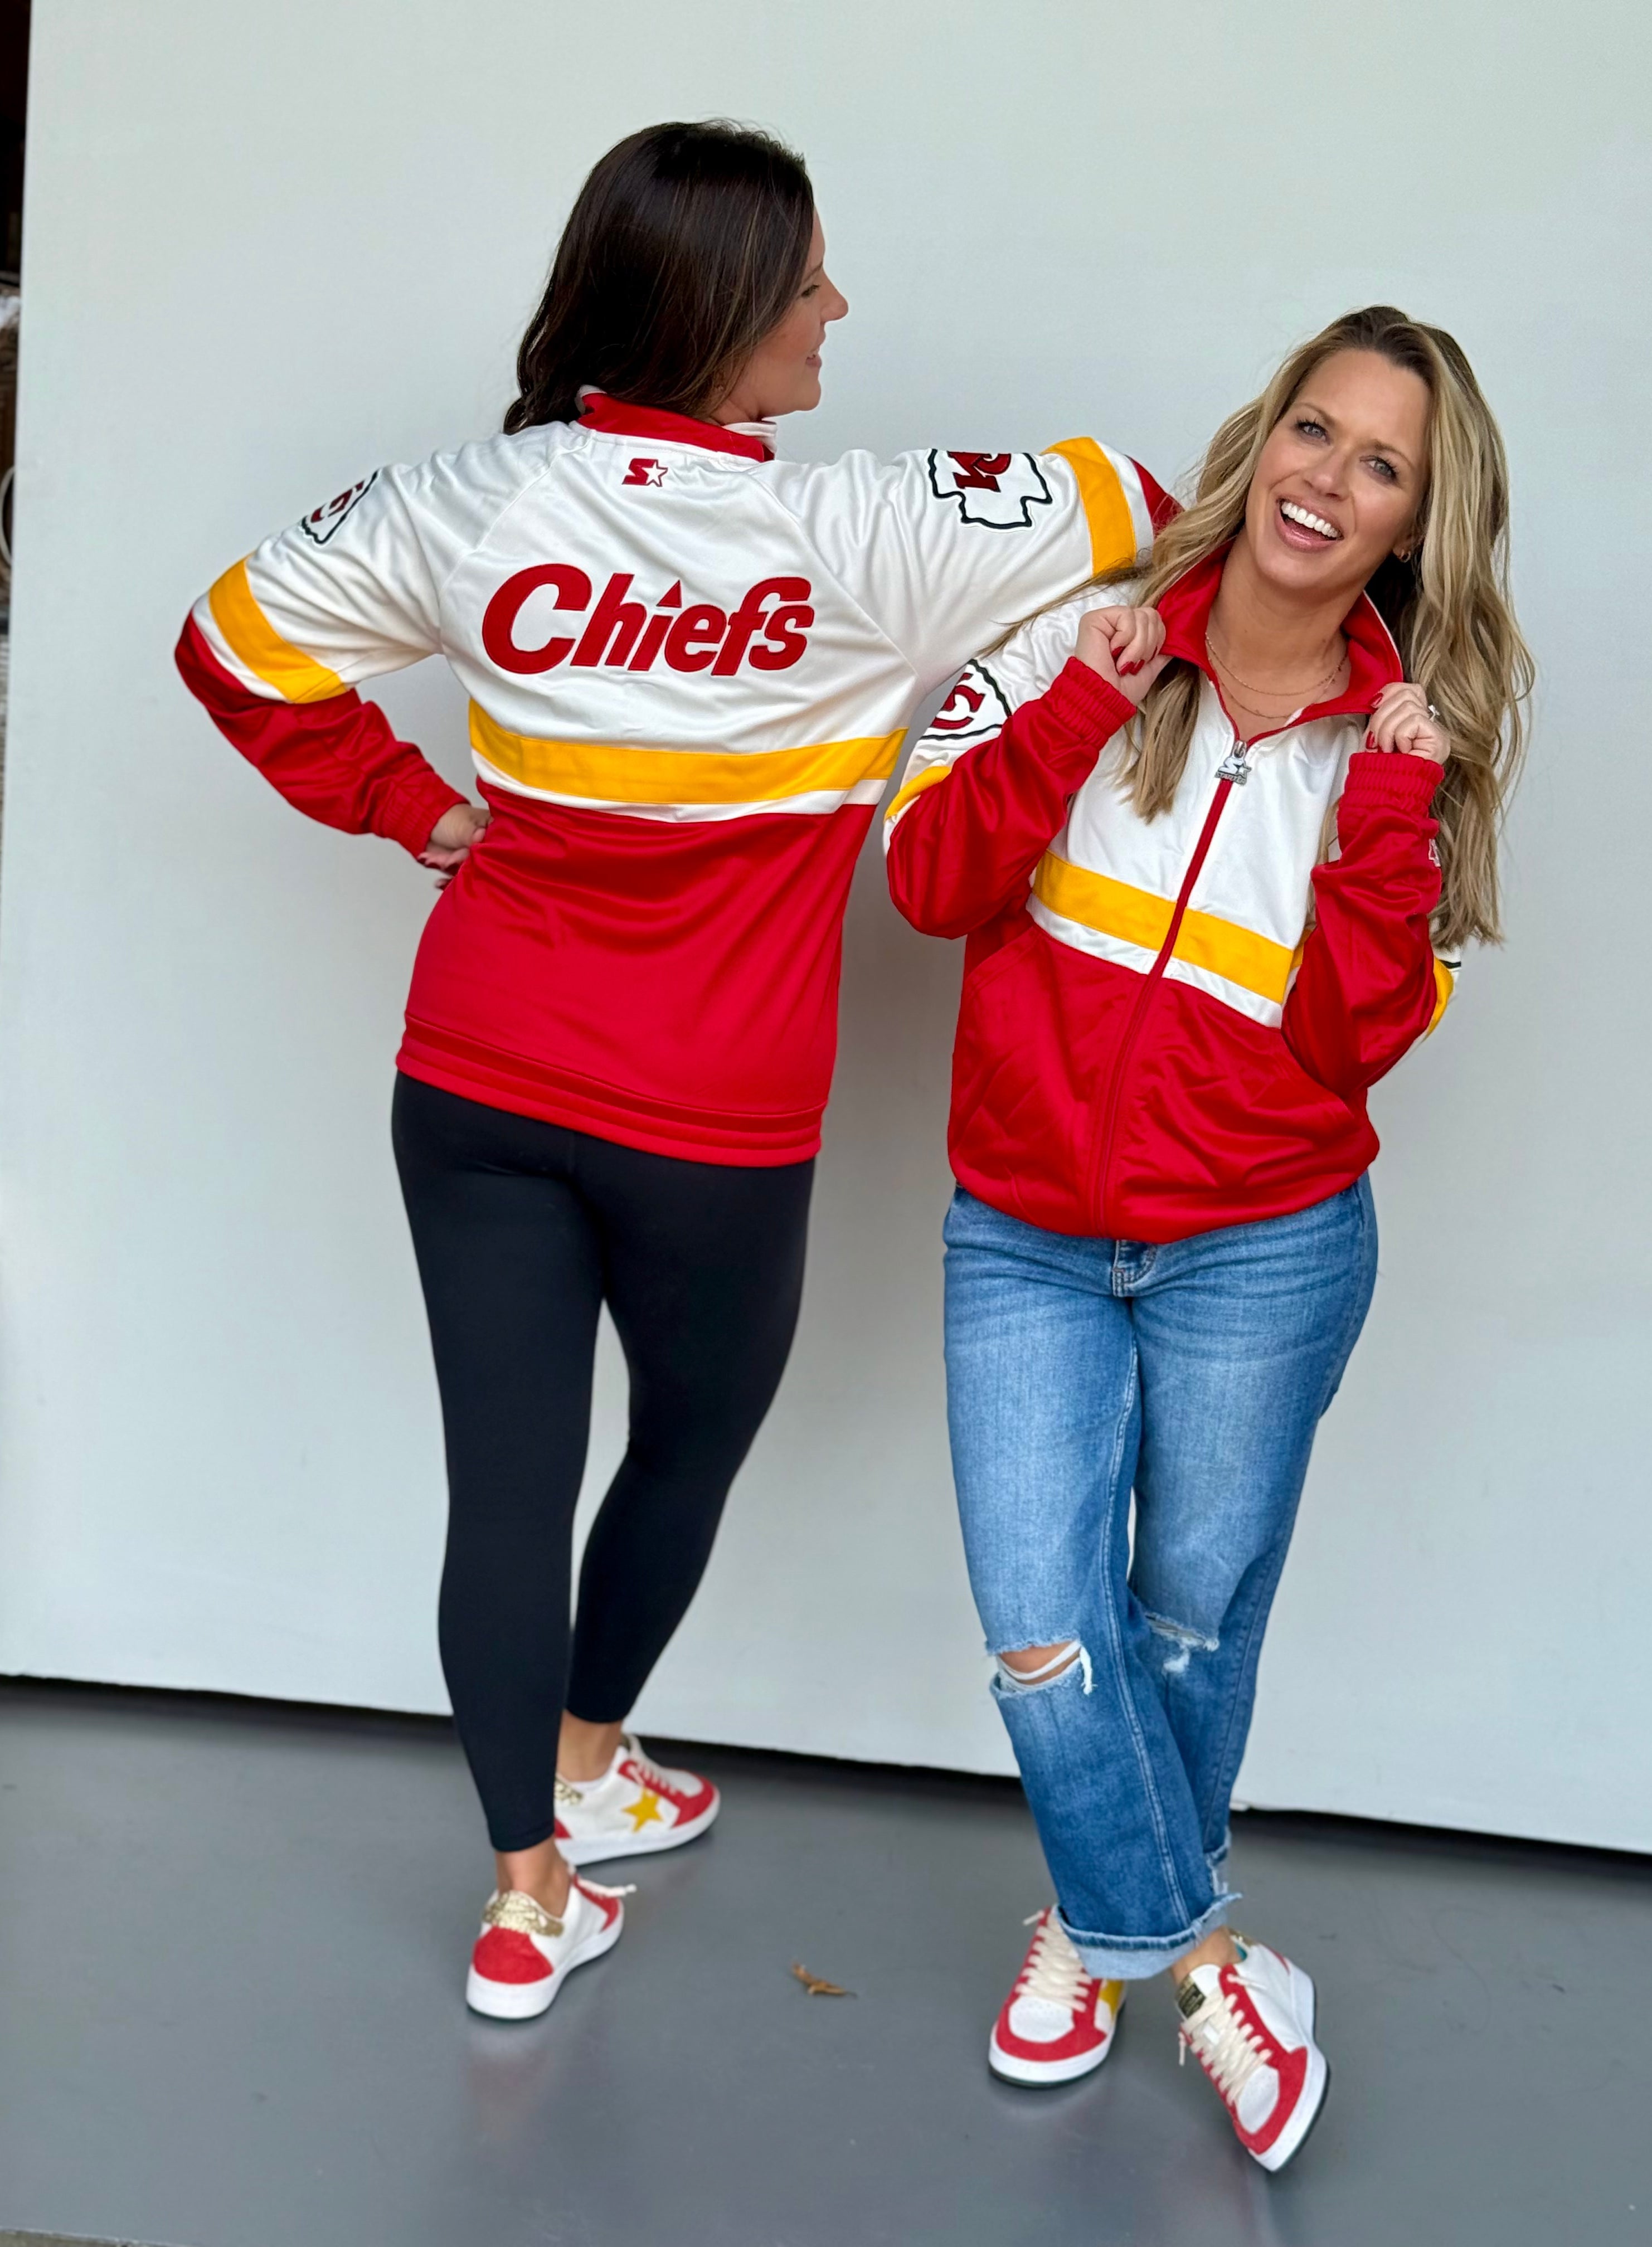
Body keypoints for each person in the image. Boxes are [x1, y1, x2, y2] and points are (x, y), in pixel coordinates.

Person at [176, 118, 1168, 2021]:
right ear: (719, 309)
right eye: (806, 279)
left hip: (473, 1078)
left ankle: (524, 1898)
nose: (837, 306)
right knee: (688, 1446)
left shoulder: (468, 500)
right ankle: (578, 1763)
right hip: (715, 1119)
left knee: (503, 1493)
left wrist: (412, 807)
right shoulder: (872, 530)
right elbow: (1148, 504)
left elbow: (229, 647)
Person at [886, 307, 1530, 2167]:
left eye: (1381, 464)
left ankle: (1084, 1925)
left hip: (1263, 1249)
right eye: (1312, 430)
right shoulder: (1070, 642)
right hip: (1021, 1232)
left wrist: (1386, 810)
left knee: (1179, 1630)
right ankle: (1195, 1963)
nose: (1327, 478)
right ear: (1262, 439)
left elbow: (1350, 1045)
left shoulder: (1413, 750)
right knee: (1041, 1630)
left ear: (1414, 522)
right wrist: (1078, 706)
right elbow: (927, 883)